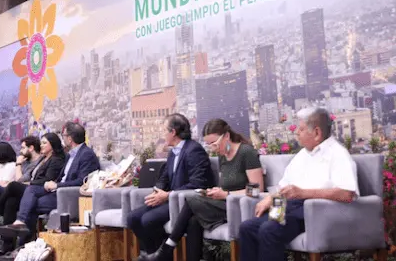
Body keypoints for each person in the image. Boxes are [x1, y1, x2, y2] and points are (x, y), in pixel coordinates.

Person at [239, 107, 359, 261]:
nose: (296, 133)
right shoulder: (302, 155)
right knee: (247, 228)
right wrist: (270, 199)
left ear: (317, 133)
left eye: (301, 129)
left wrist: (303, 193)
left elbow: (347, 194)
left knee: (268, 230)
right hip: (289, 207)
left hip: (317, 212)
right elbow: (284, 188)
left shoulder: (338, 154)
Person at [140, 118, 264, 260]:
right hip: (223, 203)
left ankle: (167, 249)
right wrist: (215, 192)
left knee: (191, 199)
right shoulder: (223, 155)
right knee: (193, 221)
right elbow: (225, 186)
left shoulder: (246, 153)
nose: (213, 148)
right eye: (209, 145)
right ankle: (173, 251)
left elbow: (257, 190)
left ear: (227, 136)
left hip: (240, 206)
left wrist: (227, 194)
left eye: (214, 143)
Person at [0, 121, 100, 247]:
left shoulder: (86, 155)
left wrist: (57, 185)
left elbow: (83, 181)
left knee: (30, 203)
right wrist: (54, 183)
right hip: (56, 191)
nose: (63, 138)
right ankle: (22, 237)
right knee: (30, 191)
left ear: (70, 138)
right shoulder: (70, 155)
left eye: (64, 135)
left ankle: (23, 242)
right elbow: (62, 177)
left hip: (67, 196)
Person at [128, 113, 215, 256]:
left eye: (164, 130)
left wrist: (168, 195)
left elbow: (198, 183)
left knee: (148, 220)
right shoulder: (173, 152)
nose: (162, 134)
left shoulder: (194, 150)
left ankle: (162, 256)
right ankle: (152, 254)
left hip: (185, 202)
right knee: (132, 218)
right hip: (170, 199)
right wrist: (158, 190)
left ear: (173, 132)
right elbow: (165, 177)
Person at [0, 132, 67, 256]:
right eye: (41, 142)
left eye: (44, 143)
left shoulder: (56, 160)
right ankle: (7, 245)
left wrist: (29, 183)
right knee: (11, 202)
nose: (41, 145)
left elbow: (48, 179)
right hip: (32, 187)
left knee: (12, 186)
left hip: (41, 190)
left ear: (52, 145)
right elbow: (26, 177)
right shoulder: (43, 158)